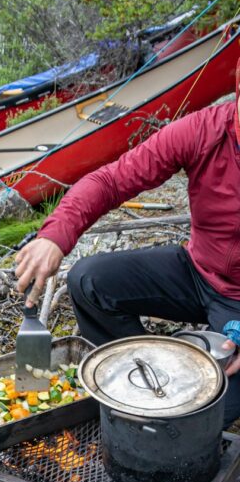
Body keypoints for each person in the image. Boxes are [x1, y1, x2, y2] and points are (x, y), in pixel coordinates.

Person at [16, 60, 240, 426]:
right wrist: (55, 236)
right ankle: (142, 376)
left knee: (203, 416)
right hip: (196, 271)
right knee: (90, 282)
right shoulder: (204, 130)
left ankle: (181, 409)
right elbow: (113, 181)